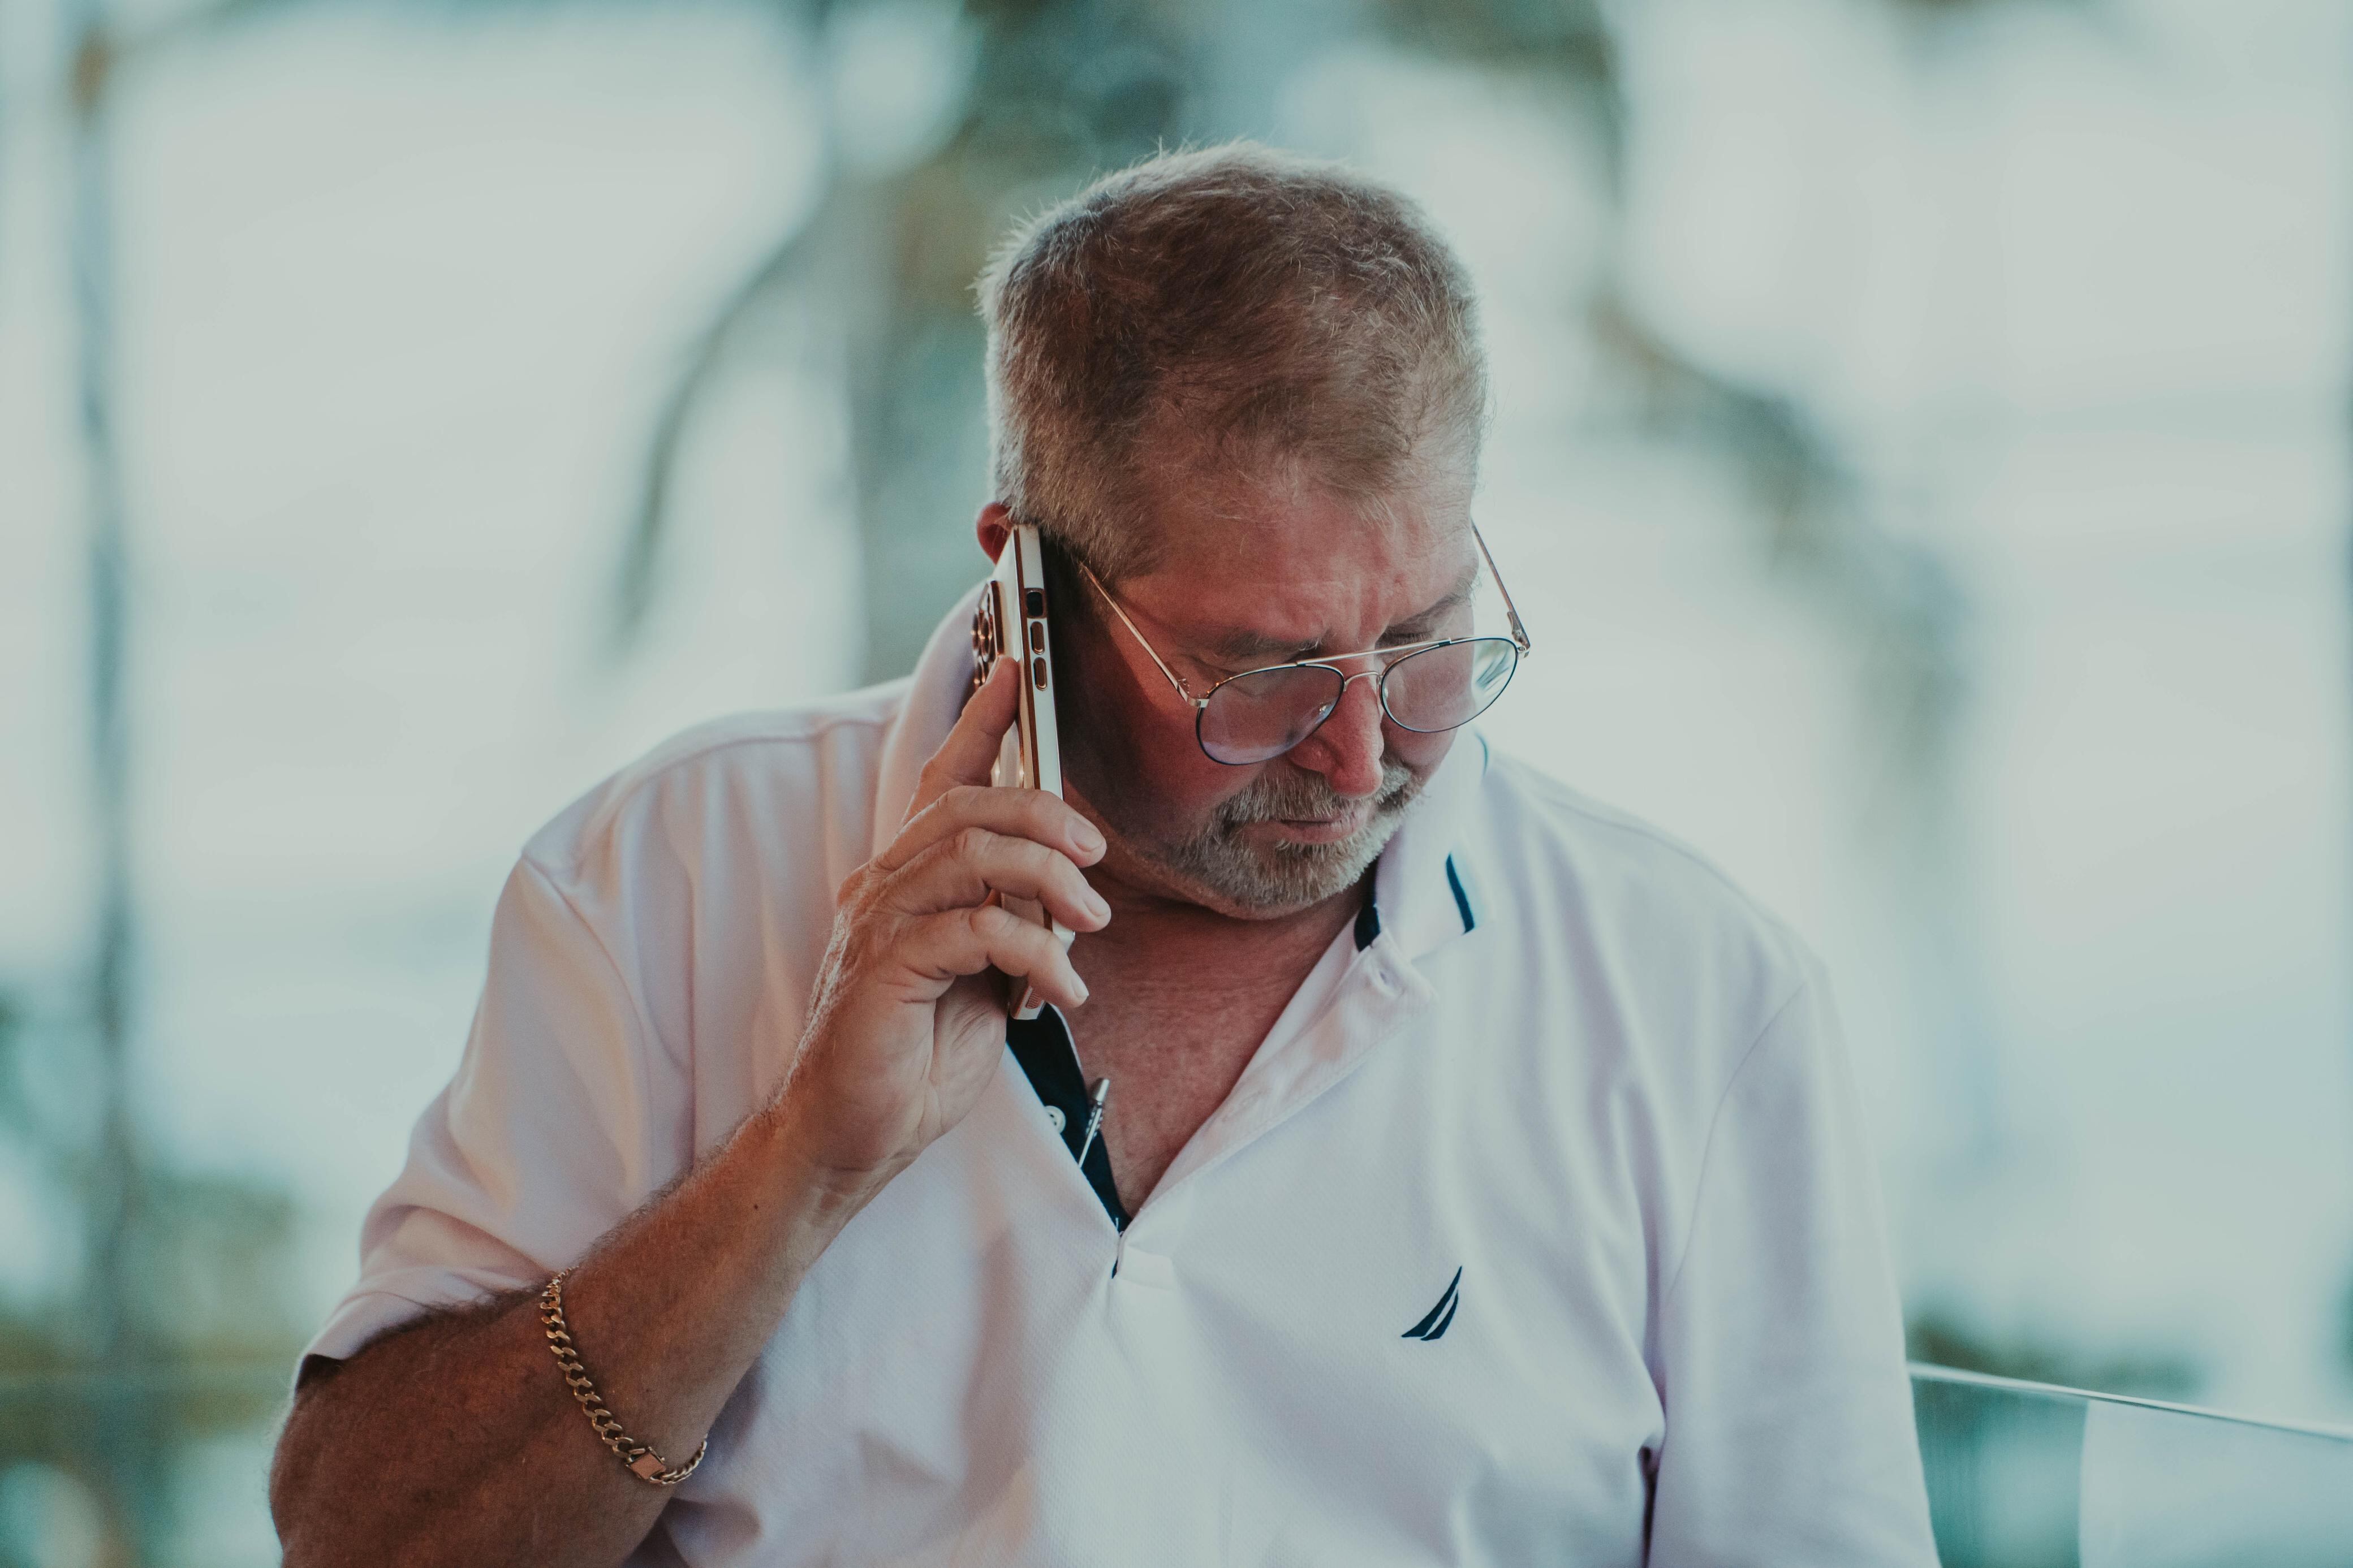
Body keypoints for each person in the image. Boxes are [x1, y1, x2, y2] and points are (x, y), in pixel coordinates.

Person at [269, 143, 1939, 1567]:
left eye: (1428, 641)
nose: (1366, 760)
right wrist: (796, 1173)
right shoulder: (662, 880)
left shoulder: (1698, 999)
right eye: (1265, 673)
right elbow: (355, 1536)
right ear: (1022, 586)